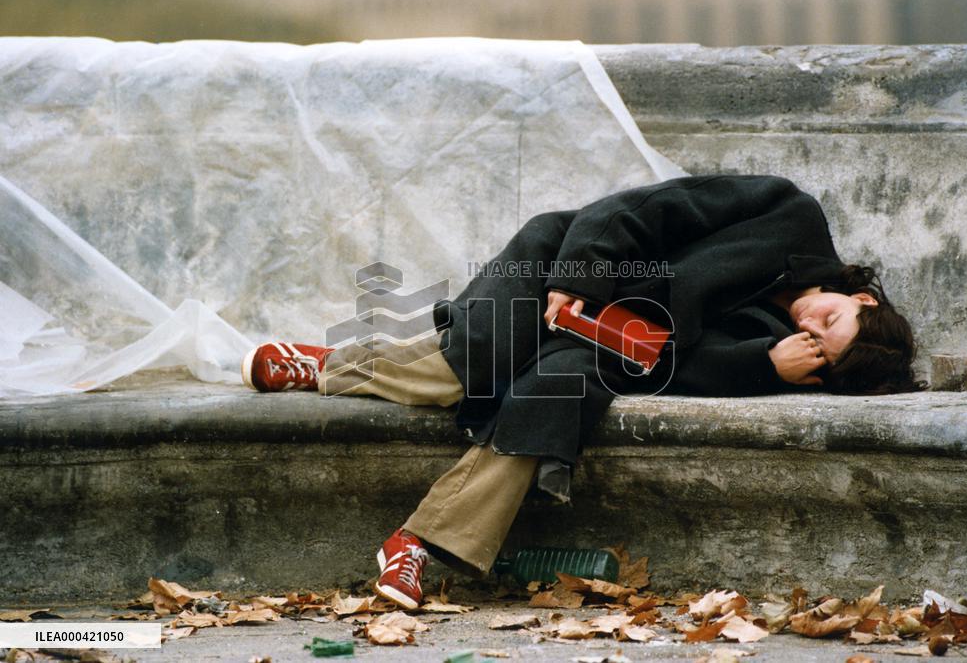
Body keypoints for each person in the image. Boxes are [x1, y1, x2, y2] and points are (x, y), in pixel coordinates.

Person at [241, 174, 926, 610]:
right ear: (859, 295)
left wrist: (764, 365)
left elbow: (673, 367)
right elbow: (644, 208)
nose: (810, 324)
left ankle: (414, 545)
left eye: (820, 348)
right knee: (483, 352)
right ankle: (332, 368)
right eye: (830, 318)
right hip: (565, 263)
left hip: (600, 347)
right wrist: (583, 277)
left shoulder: (772, 343)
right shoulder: (788, 214)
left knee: (554, 393)